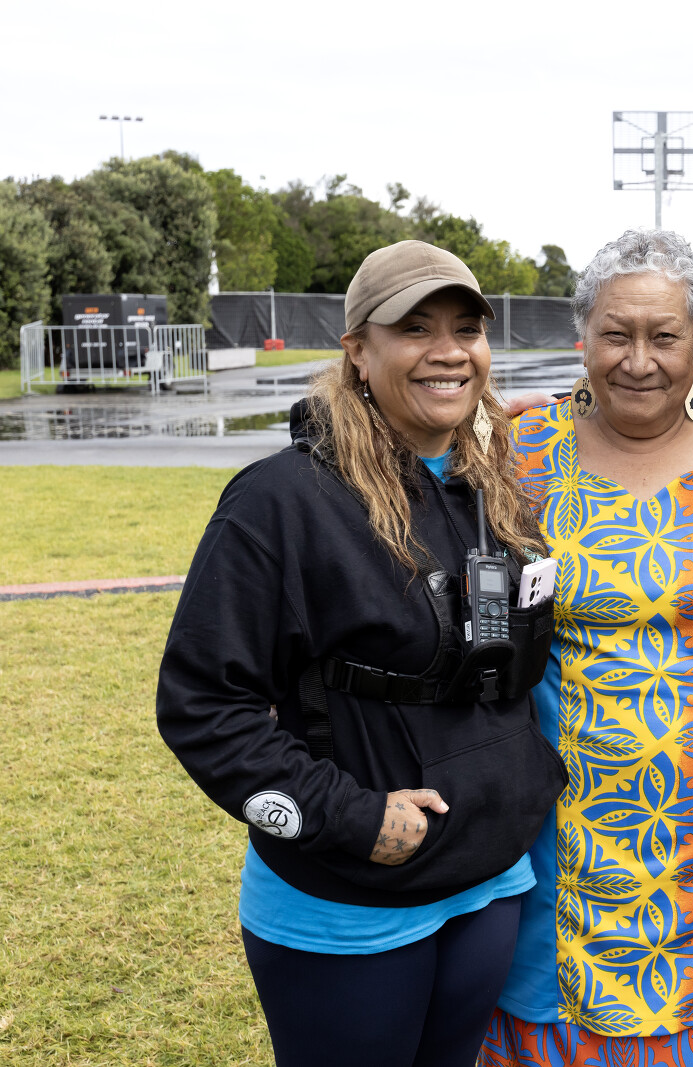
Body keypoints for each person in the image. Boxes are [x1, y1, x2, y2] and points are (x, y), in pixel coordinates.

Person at [157, 241, 567, 1067]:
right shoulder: (281, 501)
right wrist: (350, 818)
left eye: (467, 329)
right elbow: (202, 705)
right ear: (357, 350)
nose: (449, 351)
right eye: (414, 328)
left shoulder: (497, 481)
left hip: (489, 880)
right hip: (350, 902)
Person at [479, 230, 693, 1067]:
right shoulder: (519, 450)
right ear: (581, 337)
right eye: (614, 335)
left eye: (664, 336)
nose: (638, 361)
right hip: (562, 824)